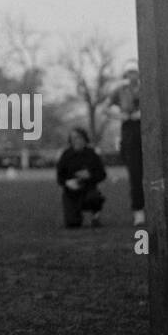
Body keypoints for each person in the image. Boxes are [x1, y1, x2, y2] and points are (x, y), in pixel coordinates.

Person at [108, 62, 145, 226]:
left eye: (135, 72)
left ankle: (158, 206)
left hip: (147, 129)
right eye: (130, 73)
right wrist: (120, 116)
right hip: (129, 132)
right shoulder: (120, 91)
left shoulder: (147, 88)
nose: (132, 76)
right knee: (135, 174)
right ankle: (138, 211)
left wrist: (142, 114)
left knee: (154, 172)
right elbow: (105, 109)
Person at [56, 128, 107, 228]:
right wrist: (67, 183)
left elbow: (102, 174)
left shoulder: (92, 155)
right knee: (72, 224)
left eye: (79, 138)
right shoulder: (66, 155)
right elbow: (59, 177)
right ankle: (74, 215)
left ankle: (95, 216)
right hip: (71, 193)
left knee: (95, 197)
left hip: (89, 189)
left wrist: (90, 176)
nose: (76, 141)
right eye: (73, 138)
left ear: (84, 139)